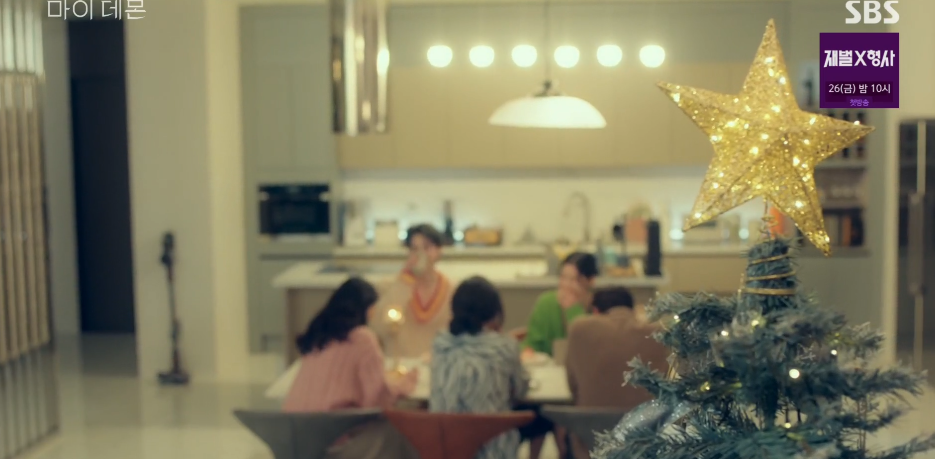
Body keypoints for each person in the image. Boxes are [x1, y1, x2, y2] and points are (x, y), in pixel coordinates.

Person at [283, 277, 419, 459]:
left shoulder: (318, 336)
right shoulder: (363, 338)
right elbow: (377, 401)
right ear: (365, 309)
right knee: (400, 432)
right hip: (333, 442)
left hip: (295, 441)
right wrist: (402, 386)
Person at [429, 276, 531, 459]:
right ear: (494, 312)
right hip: (493, 451)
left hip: (447, 449)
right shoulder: (504, 346)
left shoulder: (440, 344)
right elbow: (520, 390)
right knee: (541, 419)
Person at [564, 287, 669, 459]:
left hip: (590, 438)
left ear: (595, 311)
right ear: (632, 310)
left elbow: (572, 386)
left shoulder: (579, 329)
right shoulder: (657, 333)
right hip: (643, 437)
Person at [519, 251, 599, 459]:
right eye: (563, 278)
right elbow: (532, 342)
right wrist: (527, 351)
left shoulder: (595, 308)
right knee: (540, 410)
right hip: (548, 384)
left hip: (583, 386)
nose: (566, 285)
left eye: (573, 280)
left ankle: (565, 450)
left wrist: (573, 310)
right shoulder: (546, 303)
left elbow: (586, 346)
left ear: (590, 281)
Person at [372, 224, 453, 359]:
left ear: (439, 251)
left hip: (437, 365)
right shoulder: (388, 287)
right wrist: (404, 282)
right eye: (414, 249)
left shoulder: (452, 291)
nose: (421, 255)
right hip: (399, 364)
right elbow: (379, 329)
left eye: (427, 248)